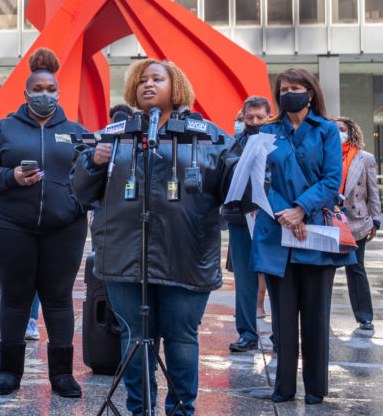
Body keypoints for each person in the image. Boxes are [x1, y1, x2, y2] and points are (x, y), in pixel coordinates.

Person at [71, 59, 235, 416]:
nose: (148, 85)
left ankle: (180, 410)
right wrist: (92, 163)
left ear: (174, 86)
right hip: (124, 258)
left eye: (156, 79)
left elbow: (234, 193)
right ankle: (139, 409)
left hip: (186, 258)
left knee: (181, 339)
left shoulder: (209, 135)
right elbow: (81, 193)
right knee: (133, 339)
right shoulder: (115, 133)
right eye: (141, 80)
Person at [0, 48, 88, 398]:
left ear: (59, 93)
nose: (45, 95)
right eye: (38, 89)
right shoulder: (1, 129)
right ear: (26, 94)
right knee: (15, 298)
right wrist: (10, 177)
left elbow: (92, 176)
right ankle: (8, 372)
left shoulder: (76, 131)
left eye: (51, 89)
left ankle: (62, 375)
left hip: (65, 227)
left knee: (59, 299)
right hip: (10, 226)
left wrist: (76, 201)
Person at [253, 68, 355, 405]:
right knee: (282, 317)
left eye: (295, 88)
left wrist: (300, 208)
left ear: (310, 93)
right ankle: (283, 386)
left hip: (315, 232)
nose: (288, 93)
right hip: (277, 230)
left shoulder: (326, 130)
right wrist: (286, 213)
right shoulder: (267, 131)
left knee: (315, 315)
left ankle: (315, 388)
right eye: (283, 89)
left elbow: (331, 179)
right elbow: (260, 180)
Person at [222, 96, 271, 354]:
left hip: (273, 220)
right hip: (240, 220)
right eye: (248, 118)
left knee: (277, 277)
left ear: (269, 117)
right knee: (244, 279)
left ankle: (281, 333)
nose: (253, 122)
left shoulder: (279, 141)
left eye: (259, 118)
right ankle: (247, 333)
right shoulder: (234, 144)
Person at [334, 116, 380, 333]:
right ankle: (319, 316)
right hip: (330, 219)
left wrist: (376, 220)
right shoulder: (326, 154)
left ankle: (365, 317)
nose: (339, 133)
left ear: (350, 131)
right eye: (335, 130)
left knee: (356, 268)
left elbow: (373, 191)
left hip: (357, 221)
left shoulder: (365, 158)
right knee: (324, 270)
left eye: (342, 129)